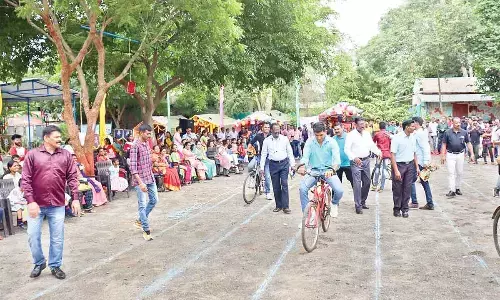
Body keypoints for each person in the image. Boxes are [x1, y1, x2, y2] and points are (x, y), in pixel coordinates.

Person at [22, 125, 80, 280]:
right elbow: (25, 180)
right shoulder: (32, 155)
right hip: (36, 204)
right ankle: (39, 262)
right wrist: (30, 201)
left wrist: (75, 198)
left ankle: (55, 265)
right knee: (32, 235)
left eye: (60, 137)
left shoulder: (66, 155)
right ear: (46, 138)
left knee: (57, 237)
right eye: (56, 137)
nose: (59, 139)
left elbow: (73, 178)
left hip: (57, 204)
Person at [296, 122, 344, 218]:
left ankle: (334, 204)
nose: (319, 138)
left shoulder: (332, 142)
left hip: (328, 171)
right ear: (313, 133)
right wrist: (302, 167)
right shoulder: (309, 142)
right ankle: (308, 215)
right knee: (302, 189)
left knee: (339, 190)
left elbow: (337, 161)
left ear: (325, 132)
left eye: (321, 135)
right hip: (313, 171)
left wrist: (332, 169)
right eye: (316, 135)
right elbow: (305, 157)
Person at [344, 117, 381, 214]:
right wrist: (354, 157)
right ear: (355, 125)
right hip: (356, 162)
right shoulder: (350, 135)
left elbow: (371, 145)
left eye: (363, 124)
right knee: (357, 183)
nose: (362, 126)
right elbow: (347, 149)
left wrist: (378, 152)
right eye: (360, 124)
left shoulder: (367, 134)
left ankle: (362, 201)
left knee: (367, 182)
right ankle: (358, 205)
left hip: (366, 160)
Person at [129, 124, 158, 241]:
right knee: (142, 204)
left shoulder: (147, 144)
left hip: (149, 177)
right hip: (140, 179)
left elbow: (147, 161)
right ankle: (146, 230)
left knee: (154, 200)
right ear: (141, 133)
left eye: (150, 133)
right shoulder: (135, 146)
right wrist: (140, 183)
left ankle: (141, 220)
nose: (149, 135)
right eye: (147, 133)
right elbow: (133, 167)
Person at [260, 123, 295, 214]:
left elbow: (289, 152)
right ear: (271, 130)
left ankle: (286, 207)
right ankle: (278, 205)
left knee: (284, 184)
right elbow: (263, 154)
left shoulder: (284, 139)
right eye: (275, 130)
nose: (276, 131)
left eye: (278, 130)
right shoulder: (266, 141)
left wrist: (293, 164)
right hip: (273, 165)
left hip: (284, 164)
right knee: (275, 186)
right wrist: (261, 167)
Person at [390, 120, 418, 218]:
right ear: (406, 127)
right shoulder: (397, 138)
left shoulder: (413, 138)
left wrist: (417, 167)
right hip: (399, 165)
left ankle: (405, 209)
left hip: (410, 165)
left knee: (407, 188)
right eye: (412, 126)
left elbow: (414, 153)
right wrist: (396, 170)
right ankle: (397, 208)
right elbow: (392, 155)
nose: (414, 128)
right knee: (397, 188)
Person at [441, 117, 474, 198]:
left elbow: (468, 143)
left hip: (460, 154)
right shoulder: (447, 132)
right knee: (451, 173)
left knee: (460, 172)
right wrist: (442, 155)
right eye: (456, 123)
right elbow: (444, 144)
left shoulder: (464, 132)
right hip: (450, 154)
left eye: (459, 122)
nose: (458, 124)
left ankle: (457, 188)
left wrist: (472, 154)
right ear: (452, 123)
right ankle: (452, 190)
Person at [410, 117, 434, 210]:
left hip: (420, 162)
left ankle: (416, 201)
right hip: (419, 161)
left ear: (416, 123)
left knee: (415, 181)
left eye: (413, 123)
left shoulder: (420, 134)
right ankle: (428, 202)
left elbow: (425, 147)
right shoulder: (418, 133)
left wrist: (425, 162)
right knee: (423, 182)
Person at [250, 122, 272, 200]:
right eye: (265, 127)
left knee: (267, 176)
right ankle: (254, 177)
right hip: (259, 156)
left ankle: (268, 192)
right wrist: (251, 149)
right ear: (262, 128)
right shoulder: (259, 136)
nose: (267, 129)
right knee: (250, 166)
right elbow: (251, 143)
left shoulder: (271, 137)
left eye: (268, 127)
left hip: (268, 158)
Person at [372, 122, 392, 192]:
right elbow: (391, 144)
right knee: (384, 169)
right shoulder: (389, 134)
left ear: (379, 127)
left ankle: (374, 185)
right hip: (387, 153)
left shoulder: (377, 134)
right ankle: (382, 187)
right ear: (385, 126)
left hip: (379, 153)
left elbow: (373, 143)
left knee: (377, 168)